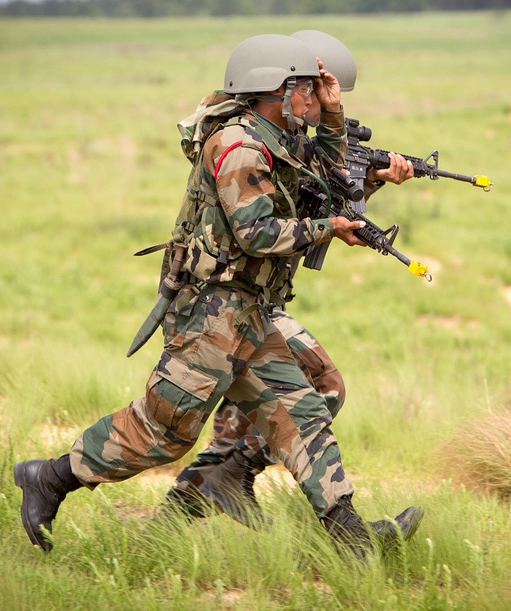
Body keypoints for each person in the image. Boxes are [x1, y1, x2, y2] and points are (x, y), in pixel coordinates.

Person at [13, 34, 422, 558]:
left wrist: (337, 119)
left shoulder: (273, 136)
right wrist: (326, 228)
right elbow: (255, 233)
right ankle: (48, 478)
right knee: (163, 432)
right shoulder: (238, 147)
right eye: (309, 90)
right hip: (212, 313)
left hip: (246, 311)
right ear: (281, 89)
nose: (315, 99)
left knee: (304, 409)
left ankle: (349, 538)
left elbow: (323, 177)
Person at [159, 30, 417, 531]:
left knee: (304, 392)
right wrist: (342, 206)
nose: (324, 104)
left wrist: (369, 179)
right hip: (221, 301)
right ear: (292, 87)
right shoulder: (256, 139)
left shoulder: (291, 137)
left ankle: (197, 497)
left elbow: (322, 197)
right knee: (165, 428)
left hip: (252, 299)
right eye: (320, 93)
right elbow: (282, 220)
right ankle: (226, 486)